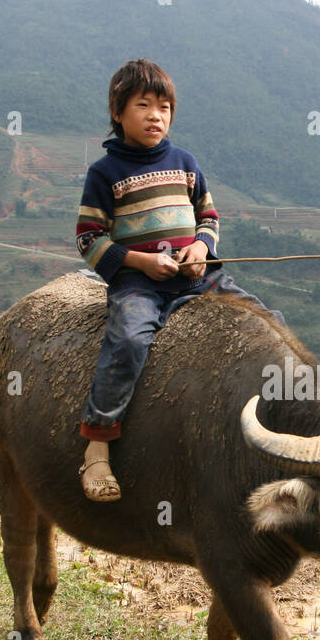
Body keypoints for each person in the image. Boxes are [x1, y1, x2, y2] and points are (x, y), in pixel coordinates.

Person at [75, 58, 283, 501]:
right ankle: (97, 445)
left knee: (270, 322)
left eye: (165, 107)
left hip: (197, 279)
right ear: (117, 112)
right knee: (128, 341)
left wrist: (201, 249)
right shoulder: (104, 174)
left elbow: (207, 216)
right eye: (144, 105)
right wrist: (140, 262)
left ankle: (279, 423)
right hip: (139, 284)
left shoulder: (185, 162)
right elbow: (88, 239)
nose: (156, 116)